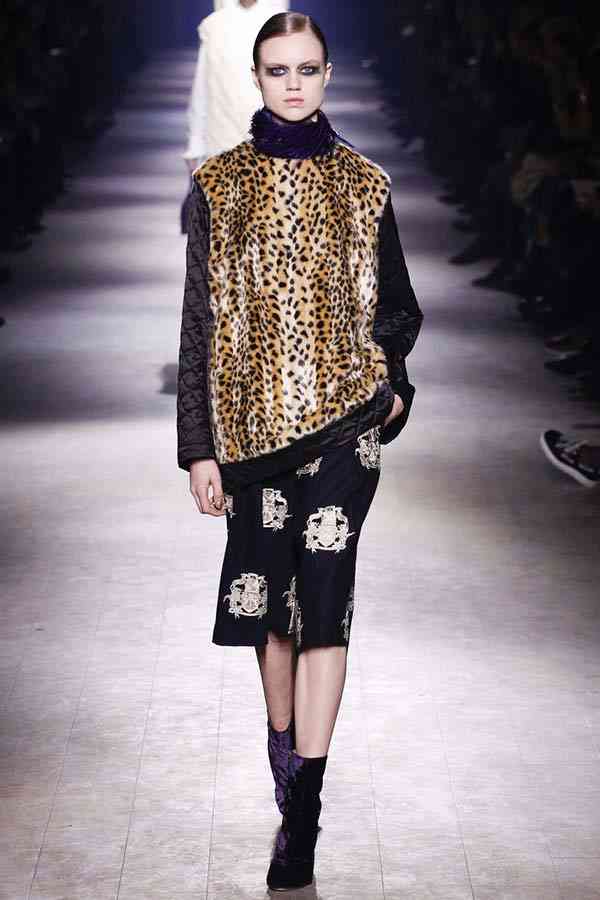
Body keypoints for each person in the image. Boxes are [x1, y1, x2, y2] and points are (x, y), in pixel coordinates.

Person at [176, 11, 424, 891]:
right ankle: (284, 751)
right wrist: (199, 448)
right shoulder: (218, 185)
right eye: (278, 69)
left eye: (307, 69)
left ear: (327, 75)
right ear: (256, 76)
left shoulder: (364, 182)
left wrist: (393, 385)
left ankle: (305, 807)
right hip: (250, 436)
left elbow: (397, 305)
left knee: (324, 604)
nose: (293, 83)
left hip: (344, 429)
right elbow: (200, 326)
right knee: (271, 617)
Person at [182, 0, 290, 173]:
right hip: (221, 137)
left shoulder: (280, 25)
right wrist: (195, 144)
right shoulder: (215, 25)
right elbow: (203, 86)